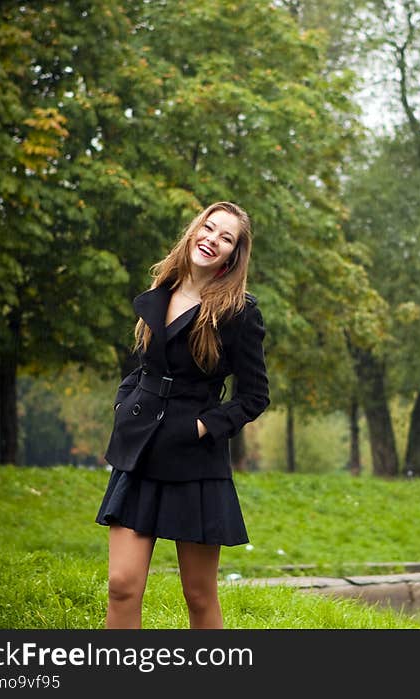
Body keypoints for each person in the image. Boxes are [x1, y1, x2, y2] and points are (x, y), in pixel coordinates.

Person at [95, 201, 269, 629]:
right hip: (140, 449)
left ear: (233, 255)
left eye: (225, 237)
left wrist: (202, 426)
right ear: (194, 231)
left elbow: (255, 396)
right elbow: (144, 365)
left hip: (194, 457)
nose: (212, 239)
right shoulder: (163, 288)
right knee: (121, 584)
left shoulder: (240, 313)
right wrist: (124, 403)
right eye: (208, 228)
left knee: (198, 593)